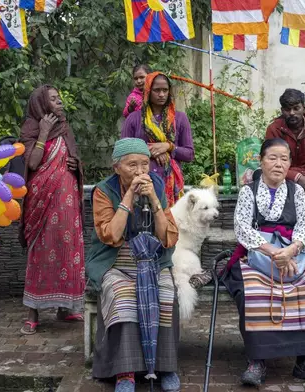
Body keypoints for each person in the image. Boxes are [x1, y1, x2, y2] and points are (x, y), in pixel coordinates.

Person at [221, 138, 305, 386]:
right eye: (272, 158)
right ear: (261, 162)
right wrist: (274, 252)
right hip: (259, 252)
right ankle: (257, 361)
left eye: (284, 159)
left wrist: (291, 251)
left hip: (293, 252)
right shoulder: (248, 191)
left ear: (289, 164)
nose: (278, 164)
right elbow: (242, 228)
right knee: (252, 292)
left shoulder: (296, 192)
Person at [86, 138, 181, 392]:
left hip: (152, 260)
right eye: (132, 165)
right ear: (117, 167)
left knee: (166, 292)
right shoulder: (104, 191)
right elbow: (111, 235)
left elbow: (168, 237)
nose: (140, 172)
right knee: (123, 295)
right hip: (115, 260)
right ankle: (124, 372)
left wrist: (154, 199)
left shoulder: (156, 185)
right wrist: (128, 196)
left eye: (144, 164)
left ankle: (165, 367)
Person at [19, 85, 85, 334]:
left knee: (68, 249)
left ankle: (65, 308)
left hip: (66, 197)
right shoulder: (31, 128)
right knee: (41, 252)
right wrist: (44, 134)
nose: (60, 103)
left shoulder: (65, 127)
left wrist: (75, 163)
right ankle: (32, 313)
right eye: (54, 99)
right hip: (41, 200)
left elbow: (76, 158)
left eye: (59, 98)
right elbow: (33, 163)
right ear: (41, 104)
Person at [121, 71, 194, 207]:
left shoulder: (180, 119)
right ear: (148, 91)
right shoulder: (134, 119)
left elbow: (189, 154)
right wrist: (149, 151)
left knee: (169, 225)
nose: (161, 94)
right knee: (142, 224)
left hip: (171, 185)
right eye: (157, 90)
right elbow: (122, 152)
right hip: (140, 183)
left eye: (165, 90)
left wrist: (168, 147)